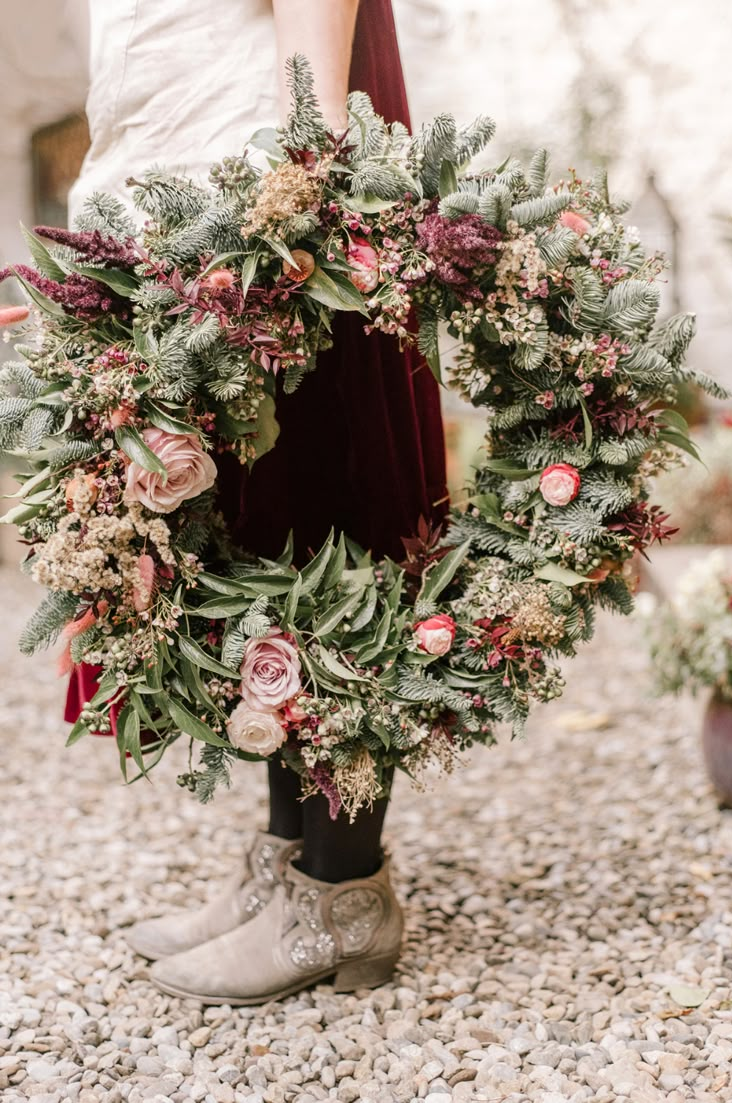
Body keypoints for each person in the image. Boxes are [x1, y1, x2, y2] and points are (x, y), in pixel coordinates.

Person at [65, 0, 447, 1005]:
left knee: (327, 512)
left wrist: (307, 175)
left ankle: (340, 892)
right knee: (258, 532)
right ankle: (290, 863)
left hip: (263, 182)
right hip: (192, 163)